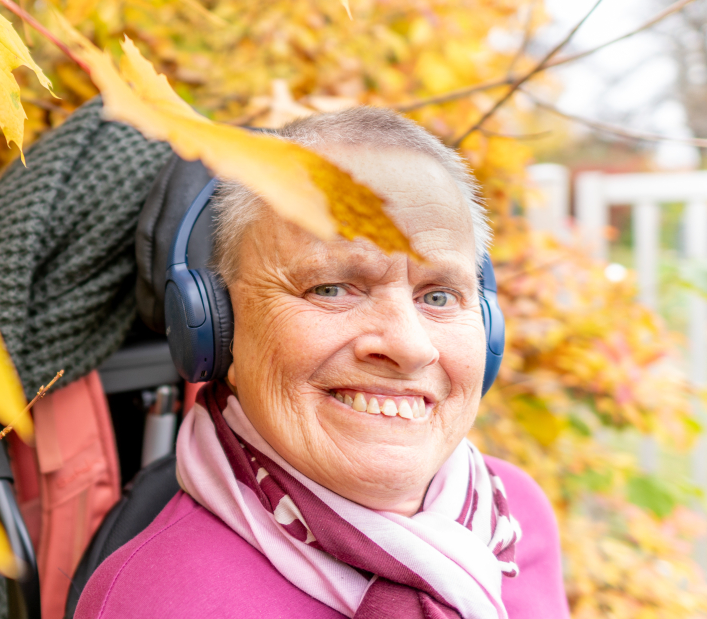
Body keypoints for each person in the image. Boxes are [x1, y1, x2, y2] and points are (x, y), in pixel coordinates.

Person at [74, 108, 569, 619]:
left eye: (439, 296)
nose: (409, 346)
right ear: (219, 328)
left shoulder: (519, 514)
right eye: (331, 288)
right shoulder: (155, 601)